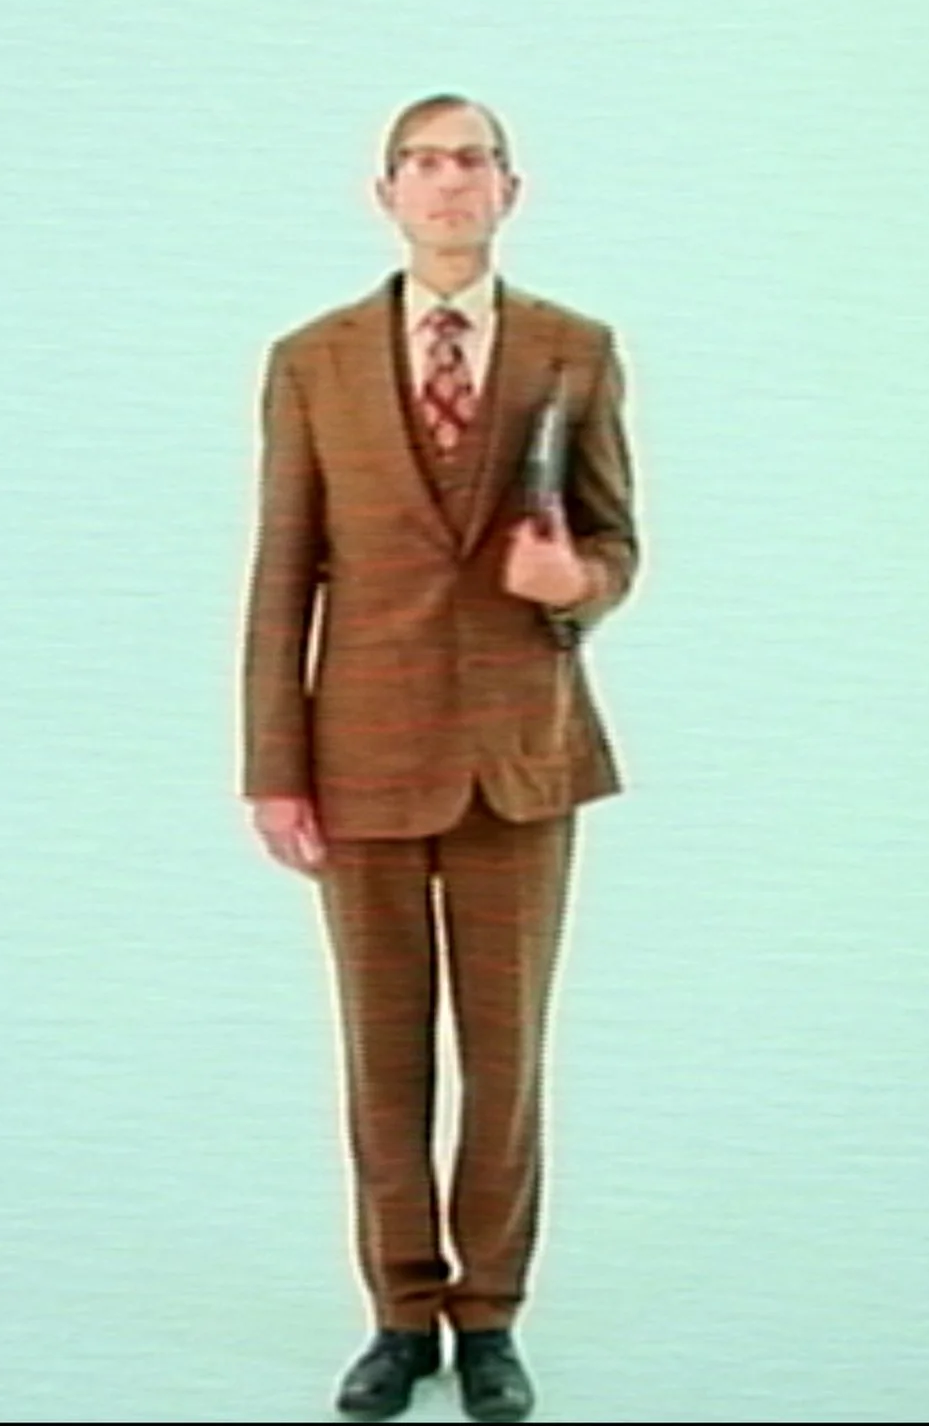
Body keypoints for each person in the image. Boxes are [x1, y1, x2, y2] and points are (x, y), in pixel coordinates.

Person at [240, 94, 639, 1424]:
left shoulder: (578, 352)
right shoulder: (312, 361)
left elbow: (617, 545)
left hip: (521, 758)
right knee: (384, 1048)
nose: (449, 182)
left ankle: (494, 1321)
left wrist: (571, 578)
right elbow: (282, 569)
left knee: (509, 1056)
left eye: (473, 161)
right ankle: (401, 1312)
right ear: (385, 194)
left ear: (510, 191)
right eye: (425, 163)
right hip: (357, 755)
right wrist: (271, 762)